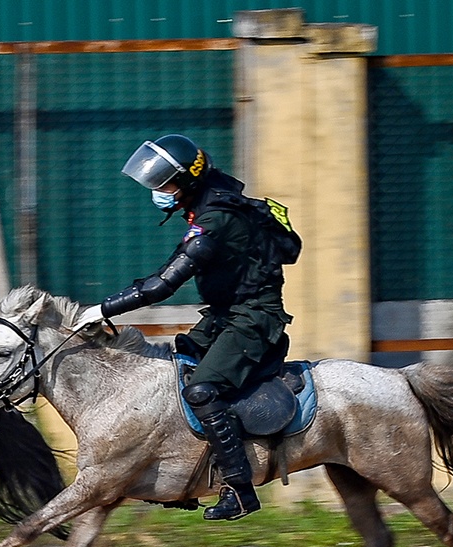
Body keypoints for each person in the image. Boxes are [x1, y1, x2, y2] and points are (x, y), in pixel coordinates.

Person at [71, 134, 301, 521]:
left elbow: (164, 283)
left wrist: (104, 309)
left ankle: (240, 490)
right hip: (225, 315)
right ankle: (184, 475)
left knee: (201, 390)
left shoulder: (216, 219)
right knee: (175, 368)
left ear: (188, 182)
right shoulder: (210, 205)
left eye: (164, 184)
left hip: (253, 318)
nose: (157, 192)